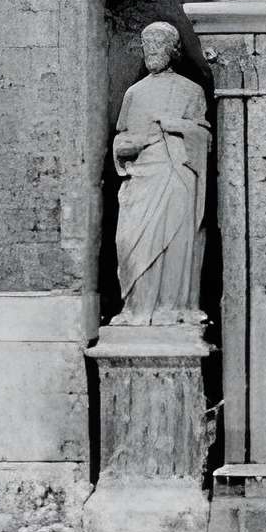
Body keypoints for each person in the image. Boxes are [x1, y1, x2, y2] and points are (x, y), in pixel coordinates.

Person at [110, 22, 211, 324]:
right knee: (128, 241)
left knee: (176, 242)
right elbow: (120, 139)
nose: (151, 50)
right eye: (146, 44)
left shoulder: (190, 91)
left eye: (158, 44)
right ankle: (136, 309)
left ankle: (173, 308)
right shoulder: (134, 94)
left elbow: (204, 137)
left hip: (177, 174)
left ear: (173, 50)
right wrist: (130, 145)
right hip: (141, 178)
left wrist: (175, 125)